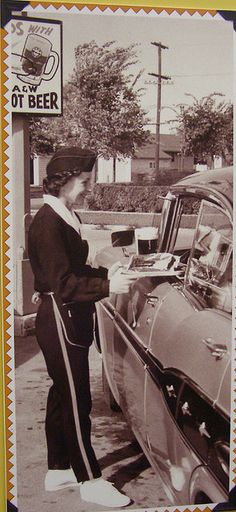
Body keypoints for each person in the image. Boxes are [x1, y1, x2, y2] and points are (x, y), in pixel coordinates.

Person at [28, 147, 136, 508]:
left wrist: (108, 274)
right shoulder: (48, 222)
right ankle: (90, 479)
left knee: (62, 394)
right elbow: (62, 283)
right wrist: (107, 288)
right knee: (77, 400)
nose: (90, 188)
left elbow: (72, 270)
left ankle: (58, 469)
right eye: (85, 181)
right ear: (65, 181)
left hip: (67, 316)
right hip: (60, 317)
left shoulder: (62, 215)